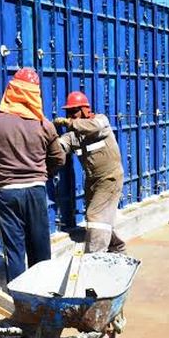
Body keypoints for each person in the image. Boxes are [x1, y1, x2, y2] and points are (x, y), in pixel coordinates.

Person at [0, 68, 66, 282]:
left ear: (11, 91)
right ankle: (44, 295)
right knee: (40, 247)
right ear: (35, 95)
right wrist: (41, 173)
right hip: (36, 191)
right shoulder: (44, 125)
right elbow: (59, 159)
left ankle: (20, 301)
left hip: (6, 194)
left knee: (14, 251)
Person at [54, 92, 126, 253]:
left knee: (96, 216)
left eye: (74, 111)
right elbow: (59, 147)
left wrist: (69, 122)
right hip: (92, 181)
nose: (71, 116)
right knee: (101, 218)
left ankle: (95, 256)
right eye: (68, 113)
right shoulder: (73, 137)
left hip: (110, 178)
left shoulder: (100, 121)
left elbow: (94, 127)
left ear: (85, 110)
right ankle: (117, 247)